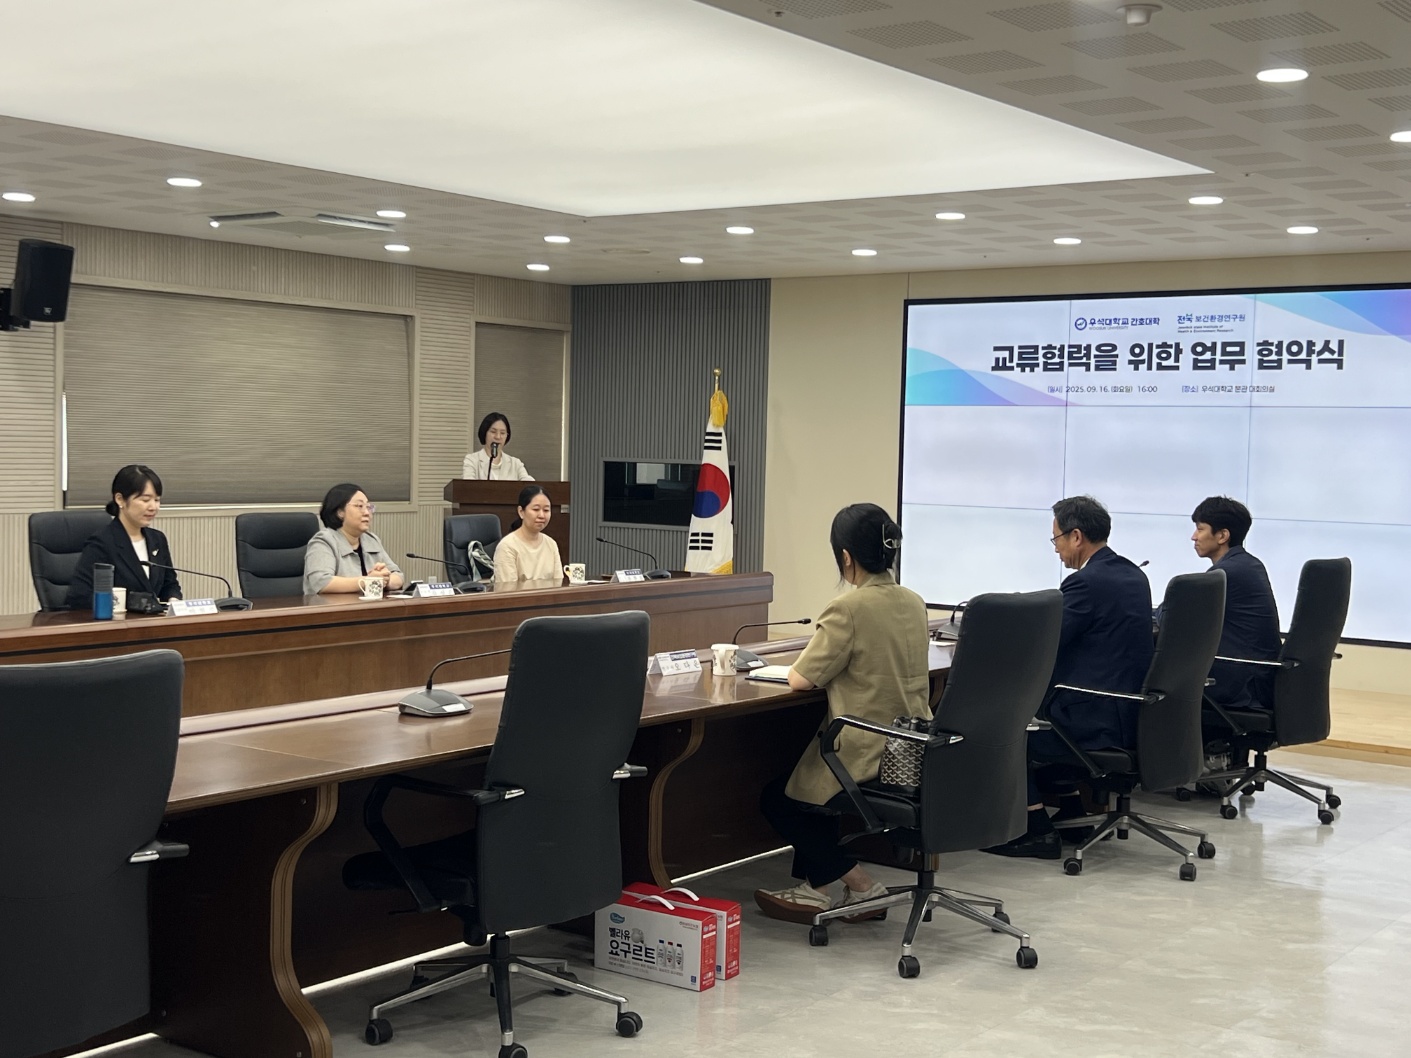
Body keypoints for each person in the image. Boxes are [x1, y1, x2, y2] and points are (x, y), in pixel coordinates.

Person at [753, 503, 931, 924]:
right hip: (910, 748)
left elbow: (801, 679)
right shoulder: (914, 601)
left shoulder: (848, 608)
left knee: (780, 799)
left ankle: (859, 883)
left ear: (846, 557)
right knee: (806, 781)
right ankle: (816, 890)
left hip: (864, 749)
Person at [984, 495, 1153, 860]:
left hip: (1095, 718)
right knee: (1041, 710)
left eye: (1057, 538)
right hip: (1128, 713)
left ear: (1076, 536)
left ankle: (1035, 828)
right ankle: (1073, 811)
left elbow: (1046, 642)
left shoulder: (1086, 583)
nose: (1056, 548)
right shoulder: (1133, 575)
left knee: (1007, 730)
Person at [1185, 496, 1281, 710]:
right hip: (1257, 678)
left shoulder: (1227, 573)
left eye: (1200, 529)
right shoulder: (1248, 564)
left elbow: (1179, 617)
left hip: (1242, 686)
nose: (1194, 537)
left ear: (1222, 536)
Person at [67, 464, 183, 609]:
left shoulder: (157, 539)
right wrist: (132, 604)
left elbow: (170, 584)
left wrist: (173, 600)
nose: (153, 507)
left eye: (157, 500)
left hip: (153, 620)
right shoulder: (102, 543)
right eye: (145, 500)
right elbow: (80, 596)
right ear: (120, 499)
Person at [303, 484, 404, 595]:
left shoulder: (371, 540)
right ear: (340, 512)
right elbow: (322, 582)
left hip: (368, 605)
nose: (367, 513)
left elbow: (398, 576)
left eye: (368, 507)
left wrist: (385, 579)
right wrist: (369, 581)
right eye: (360, 506)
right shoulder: (323, 541)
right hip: (332, 605)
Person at [492, 485, 562, 583]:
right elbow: (507, 589)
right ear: (521, 512)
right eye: (536, 509)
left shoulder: (551, 544)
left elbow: (558, 584)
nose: (542, 515)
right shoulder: (507, 546)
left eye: (546, 510)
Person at [462, 412, 533, 481]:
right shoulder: (472, 460)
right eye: (493, 432)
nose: (498, 437)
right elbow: (468, 485)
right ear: (484, 433)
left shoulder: (516, 463)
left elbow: (529, 484)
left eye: (502, 433)